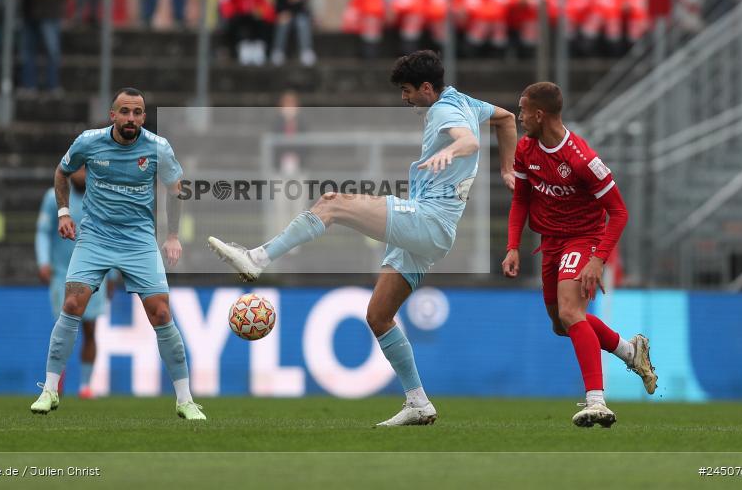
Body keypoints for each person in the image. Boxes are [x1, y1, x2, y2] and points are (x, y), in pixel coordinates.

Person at [208, 51, 518, 426]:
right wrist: (507, 168)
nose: (403, 99)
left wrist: (453, 149)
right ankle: (418, 402)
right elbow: (506, 118)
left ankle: (257, 258)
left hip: (427, 220)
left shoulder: (443, 111)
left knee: (332, 203)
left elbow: (469, 142)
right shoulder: (465, 100)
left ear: (426, 88)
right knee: (379, 316)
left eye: (407, 91)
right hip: (432, 230)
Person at [30, 87, 205, 420]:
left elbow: (176, 189)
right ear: (113, 115)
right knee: (72, 305)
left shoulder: (157, 148)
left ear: (143, 116)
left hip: (139, 240)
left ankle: (185, 399)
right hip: (95, 238)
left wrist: (172, 236)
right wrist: (63, 213)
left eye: (137, 112)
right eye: (125, 112)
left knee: (161, 314)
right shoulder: (89, 142)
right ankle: (49, 390)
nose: (131, 119)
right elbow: (62, 172)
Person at [501, 81, 657, 428]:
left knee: (572, 312)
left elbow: (619, 212)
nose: (519, 116)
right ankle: (632, 352)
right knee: (562, 324)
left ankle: (597, 402)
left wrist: (598, 258)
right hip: (550, 242)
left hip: (583, 239)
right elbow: (521, 199)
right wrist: (513, 245)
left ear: (539, 114)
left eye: (523, 110)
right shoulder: (526, 149)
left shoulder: (583, 159)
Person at [35, 165, 112, 399]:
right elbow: (42, 231)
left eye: (85, 169)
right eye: (77, 169)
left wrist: (115, 275)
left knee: (90, 330)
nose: (81, 174)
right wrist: (43, 262)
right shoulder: (54, 197)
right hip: (62, 274)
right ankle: (55, 383)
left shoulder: (101, 198)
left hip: (95, 274)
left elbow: (110, 236)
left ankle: (86, 386)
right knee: (63, 329)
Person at [270, 0, 315, 66]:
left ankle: (306, 51)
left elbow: (304, 10)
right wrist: (285, 10)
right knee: (283, 22)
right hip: (284, 18)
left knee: (302, 22)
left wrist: (296, 1)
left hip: (297, 18)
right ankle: (278, 51)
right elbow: (277, 8)